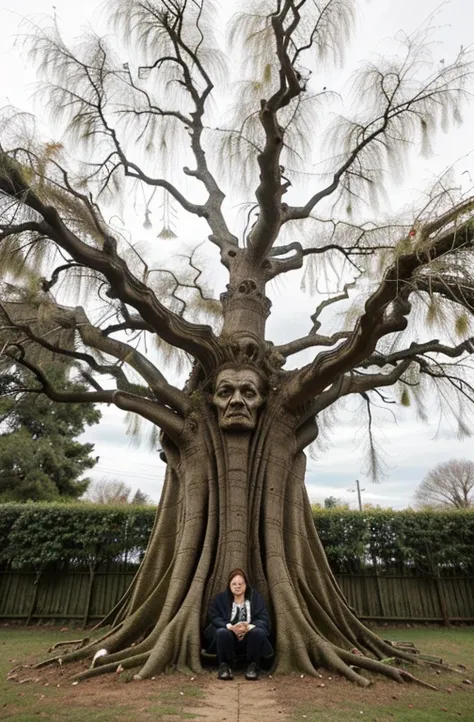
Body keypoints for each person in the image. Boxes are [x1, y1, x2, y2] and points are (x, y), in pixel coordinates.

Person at [203, 568, 272, 681]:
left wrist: (248, 627)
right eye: (234, 584)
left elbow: (263, 618)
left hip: (249, 638)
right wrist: (230, 627)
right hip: (228, 638)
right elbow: (214, 617)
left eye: (240, 583)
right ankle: (224, 666)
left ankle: (252, 666)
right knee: (222, 632)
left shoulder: (256, 598)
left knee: (258, 632)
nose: (237, 586)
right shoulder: (220, 599)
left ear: (246, 585)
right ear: (229, 585)